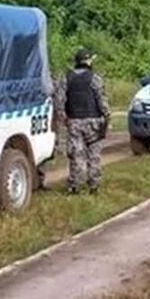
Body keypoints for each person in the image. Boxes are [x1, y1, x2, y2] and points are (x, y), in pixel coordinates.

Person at [63, 49, 110, 194]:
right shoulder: (95, 78)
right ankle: (94, 186)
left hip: (74, 121)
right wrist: (107, 116)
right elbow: (102, 101)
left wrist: (63, 117)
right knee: (94, 154)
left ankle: (75, 186)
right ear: (88, 61)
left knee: (76, 154)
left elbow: (60, 101)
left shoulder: (66, 78)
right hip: (93, 121)